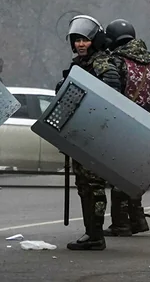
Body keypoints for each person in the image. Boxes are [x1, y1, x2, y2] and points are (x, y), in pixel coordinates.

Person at [56, 15, 122, 251]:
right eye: (77, 40)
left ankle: (96, 236)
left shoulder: (103, 65)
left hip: (97, 133)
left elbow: (111, 100)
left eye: (84, 40)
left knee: (94, 186)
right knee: (84, 184)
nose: (80, 44)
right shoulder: (79, 65)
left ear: (95, 41)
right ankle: (90, 232)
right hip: (79, 131)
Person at [102, 19, 150, 237]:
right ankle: (137, 220)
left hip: (125, 124)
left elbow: (113, 93)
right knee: (134, 174)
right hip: (146, 124)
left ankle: (121, 224)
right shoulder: (149, 63)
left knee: (118, 174)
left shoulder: (117, 61)